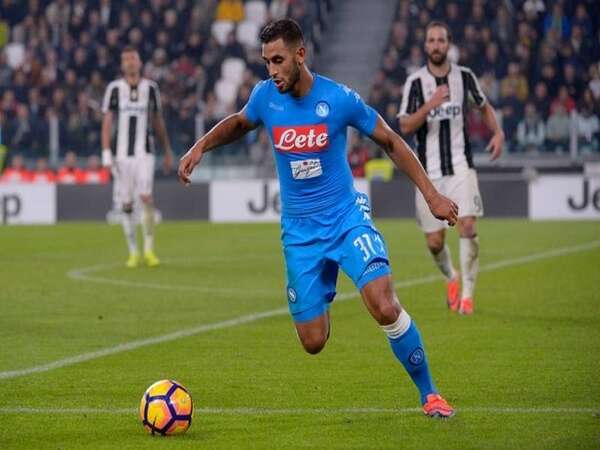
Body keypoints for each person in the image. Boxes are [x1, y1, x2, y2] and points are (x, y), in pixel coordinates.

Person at [179, 19, 458, 418]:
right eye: (266, 62)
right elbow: (240, 122)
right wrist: (200, 147)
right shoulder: (265, 97)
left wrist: (431, 195)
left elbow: (390, 140)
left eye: (278, 60)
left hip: (346, 219)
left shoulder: (338, 98)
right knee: (313, 342)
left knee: (383, 305)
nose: (272, 70)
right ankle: (323, 285)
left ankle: (430, 395)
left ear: (300, 54)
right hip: (300, 233)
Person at [398, 21, 504, 315]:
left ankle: (467, 296)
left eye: (441, 40)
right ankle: (451, 277)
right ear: (425, 45)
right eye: (431, 40)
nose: (436, 45)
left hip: (461, 166)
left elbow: (483, 106)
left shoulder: (464, 77)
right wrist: (429, 105)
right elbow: (404, 125)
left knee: (468, 225)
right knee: (435, 242)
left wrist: (497, 132)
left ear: (449, 44)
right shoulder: (415, 83)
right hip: (428, 173)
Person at [101, 46, 173, 268]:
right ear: (122, 64)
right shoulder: (114, 89)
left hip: (145, 152)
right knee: (126, 204)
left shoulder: (151, 88)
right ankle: (133, 251)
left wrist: (167, 150)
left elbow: (158, 120)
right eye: (126, 59)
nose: (130, 62)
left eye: (133, 58)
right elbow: (107, 122)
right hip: (122, 156)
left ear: (140, 62)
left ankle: (149, 250)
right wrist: (106, 153)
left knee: (145, 196)